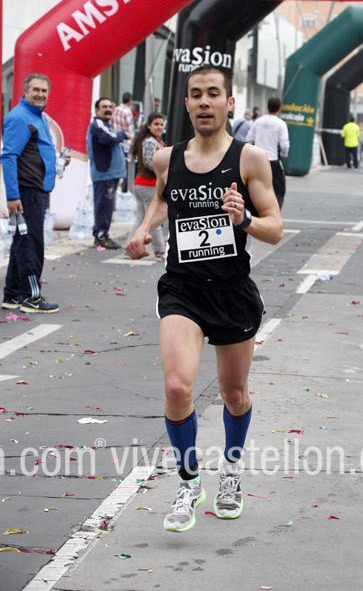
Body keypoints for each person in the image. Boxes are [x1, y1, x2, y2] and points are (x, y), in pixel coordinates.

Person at [126, 65, 283, 533]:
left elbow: (275, 228)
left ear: (229, 103)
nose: (204, 101)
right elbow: (162, 197)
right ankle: (189, 482)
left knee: (234, 395)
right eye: (196, 94)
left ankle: (231, 470)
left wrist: (243, 219)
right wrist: (144, 228)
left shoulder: (250, 159)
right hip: (183, 290)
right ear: (187, 103)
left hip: (231, 291)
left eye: (213, 93)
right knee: (178, 388)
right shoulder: (166, 158)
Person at [0, 73, 67, 313]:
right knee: (31, 244)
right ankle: (31, 297)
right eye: (36, 90)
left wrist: (57, 162)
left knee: (22, 242)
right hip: (27, 191)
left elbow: (35, 152)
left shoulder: (37, 117)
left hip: (35, 190)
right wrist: (12, 196)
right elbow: (8, 157)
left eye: (44, 91)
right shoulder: (19, 117)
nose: (40, 94)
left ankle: (13, 295)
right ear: (25, 92)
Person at [87, 97, 129, 249]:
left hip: (110, 174)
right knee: (104, 206)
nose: (108, 109)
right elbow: (107, 138)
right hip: (104, 173)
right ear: (97, 110)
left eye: (110, 107)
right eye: (104, 107)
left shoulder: (106, 125)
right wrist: (122, 135)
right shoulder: (97, 124)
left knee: (108, 206)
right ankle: (101, 236)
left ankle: (102, 235)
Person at [128, 112, 166, 260]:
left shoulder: (150, 140)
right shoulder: (150, 142)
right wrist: (164, 172)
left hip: (141, 184)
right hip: (148, 185)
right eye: (156, 124)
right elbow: (150, 162)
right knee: (154, 219)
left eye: (161, 124)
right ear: (149, 125)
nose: (160, 127)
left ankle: (130, 248)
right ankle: (160, 250)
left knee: (141, 219)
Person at [245, 97, 290, 208]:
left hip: (256, 160)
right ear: (279, 108)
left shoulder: (258, 122)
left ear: (267, 107)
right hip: (272, 160)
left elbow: (248, 139)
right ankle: (275, 211)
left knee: (254, 186)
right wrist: (284, 154)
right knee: (278, 188)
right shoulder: (281, 124)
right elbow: (284, 144)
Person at [112, 92, 135, 192]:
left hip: (116, 140)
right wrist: (133, 141)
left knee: (116, 165)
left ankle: (115, 187)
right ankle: (124, 189)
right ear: (130, 100)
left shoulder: (115, 109)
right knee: (126, 167)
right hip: (126, 143)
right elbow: (130, 128)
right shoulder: (128, 112)